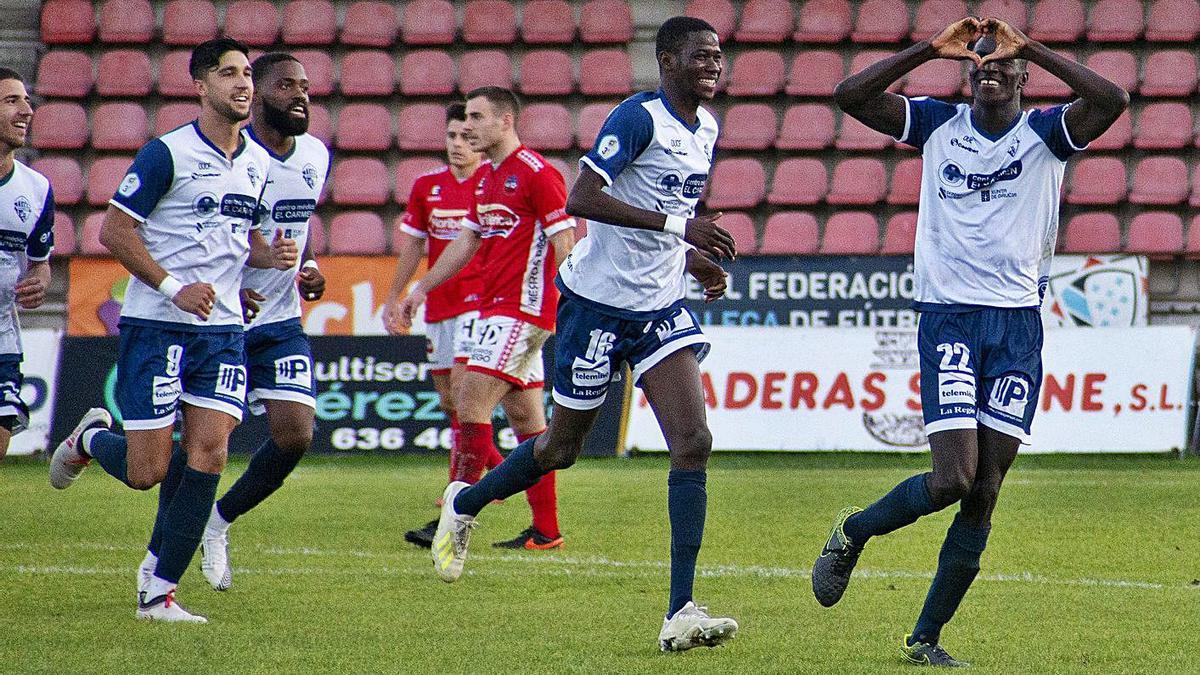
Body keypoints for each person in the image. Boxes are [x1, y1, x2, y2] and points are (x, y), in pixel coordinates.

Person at [811, 17, 1127, 666]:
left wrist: (1030, 44)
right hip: (950, 319)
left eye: (1002, 63)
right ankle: (854, 529)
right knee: (954, 477)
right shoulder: (937, 125)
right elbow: (849, 96)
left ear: (1021, 76)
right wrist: (928, 48)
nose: (989, 70)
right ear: (968, 74)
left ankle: (925, 636)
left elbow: (1112, 101)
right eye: (979, 63)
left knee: (987, 487)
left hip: (1016, 327)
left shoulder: (1046, 133)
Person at [422, 17, 738, 653]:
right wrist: (683, 227)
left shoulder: (706, 128)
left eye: (719, 56)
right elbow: (587, 198)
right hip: (594, 306)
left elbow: (666, 215)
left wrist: (693, 258)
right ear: (670, 59)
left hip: (656, 308)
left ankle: (681, 610)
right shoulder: (638, 117)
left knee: (694, 440)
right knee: (560, 447)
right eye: (702, 56)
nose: (715, 65)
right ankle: (467, 504)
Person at [48, 38, 297, 623]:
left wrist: (265, 260)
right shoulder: (167, 153)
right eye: (229, 73)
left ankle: (158, 591)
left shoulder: (259, 162)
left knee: (209, 453)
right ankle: (90, 440)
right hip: (158, 324)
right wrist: (172, 287)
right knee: (148, 472)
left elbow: (235, 235)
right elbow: (114, 232)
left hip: (223, 329)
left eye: (247, 75)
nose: (243, 84)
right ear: (201, 85)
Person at [396, 87, 571, 550]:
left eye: (475, 117)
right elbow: (466, 243)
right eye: (464, 119)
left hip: (523, 310)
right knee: (527, 422)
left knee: (469, 402)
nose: (467, 127)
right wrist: (420, 290)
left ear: (505, 121)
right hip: (498, 309)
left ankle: (454, 521)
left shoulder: (537, 173)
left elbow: (565, 237)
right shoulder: (490, 179)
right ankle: (546, 531)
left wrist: (569, 306)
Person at [188, 51, 330, 591]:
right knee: (190, 450)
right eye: (286, 85)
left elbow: (296, 223)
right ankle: (166, 549)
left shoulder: (315, 154)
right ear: (259, 95)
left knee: (295, 434)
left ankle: (218, 522)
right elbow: (209, 237)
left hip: (280, 320)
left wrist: (309, 265)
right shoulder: (238, 160)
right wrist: (232, 286)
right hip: (223, 322)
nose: (300, 95)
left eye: (306, 87)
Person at [0, 68, 53, 460]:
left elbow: (40, 262)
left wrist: (38, 279)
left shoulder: (36, 189)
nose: (26, 110)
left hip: (3, 338)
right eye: (12, 100)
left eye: (27, 100)